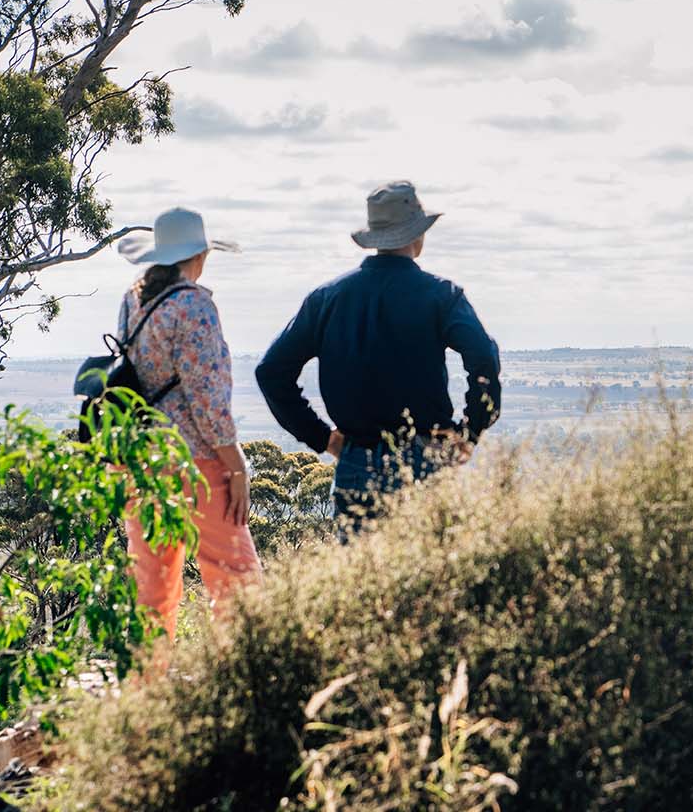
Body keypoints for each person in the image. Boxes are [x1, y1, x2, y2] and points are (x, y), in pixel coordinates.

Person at [256, 181, 501, 529]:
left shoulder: (326, 298)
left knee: (362, 580)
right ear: (418, 236)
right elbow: (484, 358)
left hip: (357, 461)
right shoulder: (442, 295)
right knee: (434, 577)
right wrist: (469, 432)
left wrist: (321, 437)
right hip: (427, 458)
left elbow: (271, 372)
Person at [113, 208, 262, 640]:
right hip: (194, 460)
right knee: (236, 577)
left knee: (152, 587)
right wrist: (236, 467)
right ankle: (245, 676)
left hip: (141, 459)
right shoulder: (194, 305)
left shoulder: (133, 299)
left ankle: (148, 687)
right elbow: (207, 399)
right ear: (199, 255)